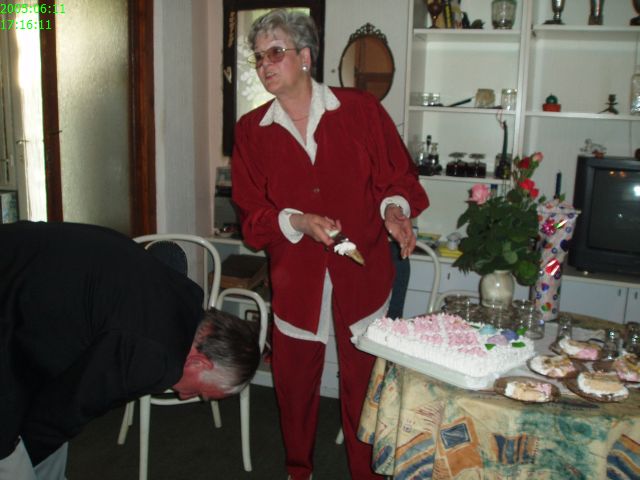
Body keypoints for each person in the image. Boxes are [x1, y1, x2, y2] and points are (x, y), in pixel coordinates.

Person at [231, 9, 429, 479]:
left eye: (275, 52)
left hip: (362, 271)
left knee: (365, 386)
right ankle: (298, 470)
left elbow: (396, 176)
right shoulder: (251, 131)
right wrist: (298, 220)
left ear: (305, 56)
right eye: (259, 57)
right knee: (294, 387)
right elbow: (251, 216)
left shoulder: (360, 110)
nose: (264, 65)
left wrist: (394, 210)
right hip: (296, 278)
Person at [0, 221, 260, 480]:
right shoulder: (155, 357)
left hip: (20, 266)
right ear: (200, 363)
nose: (184, 396)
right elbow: (65, 412)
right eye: (198, 391)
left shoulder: (186, 298)